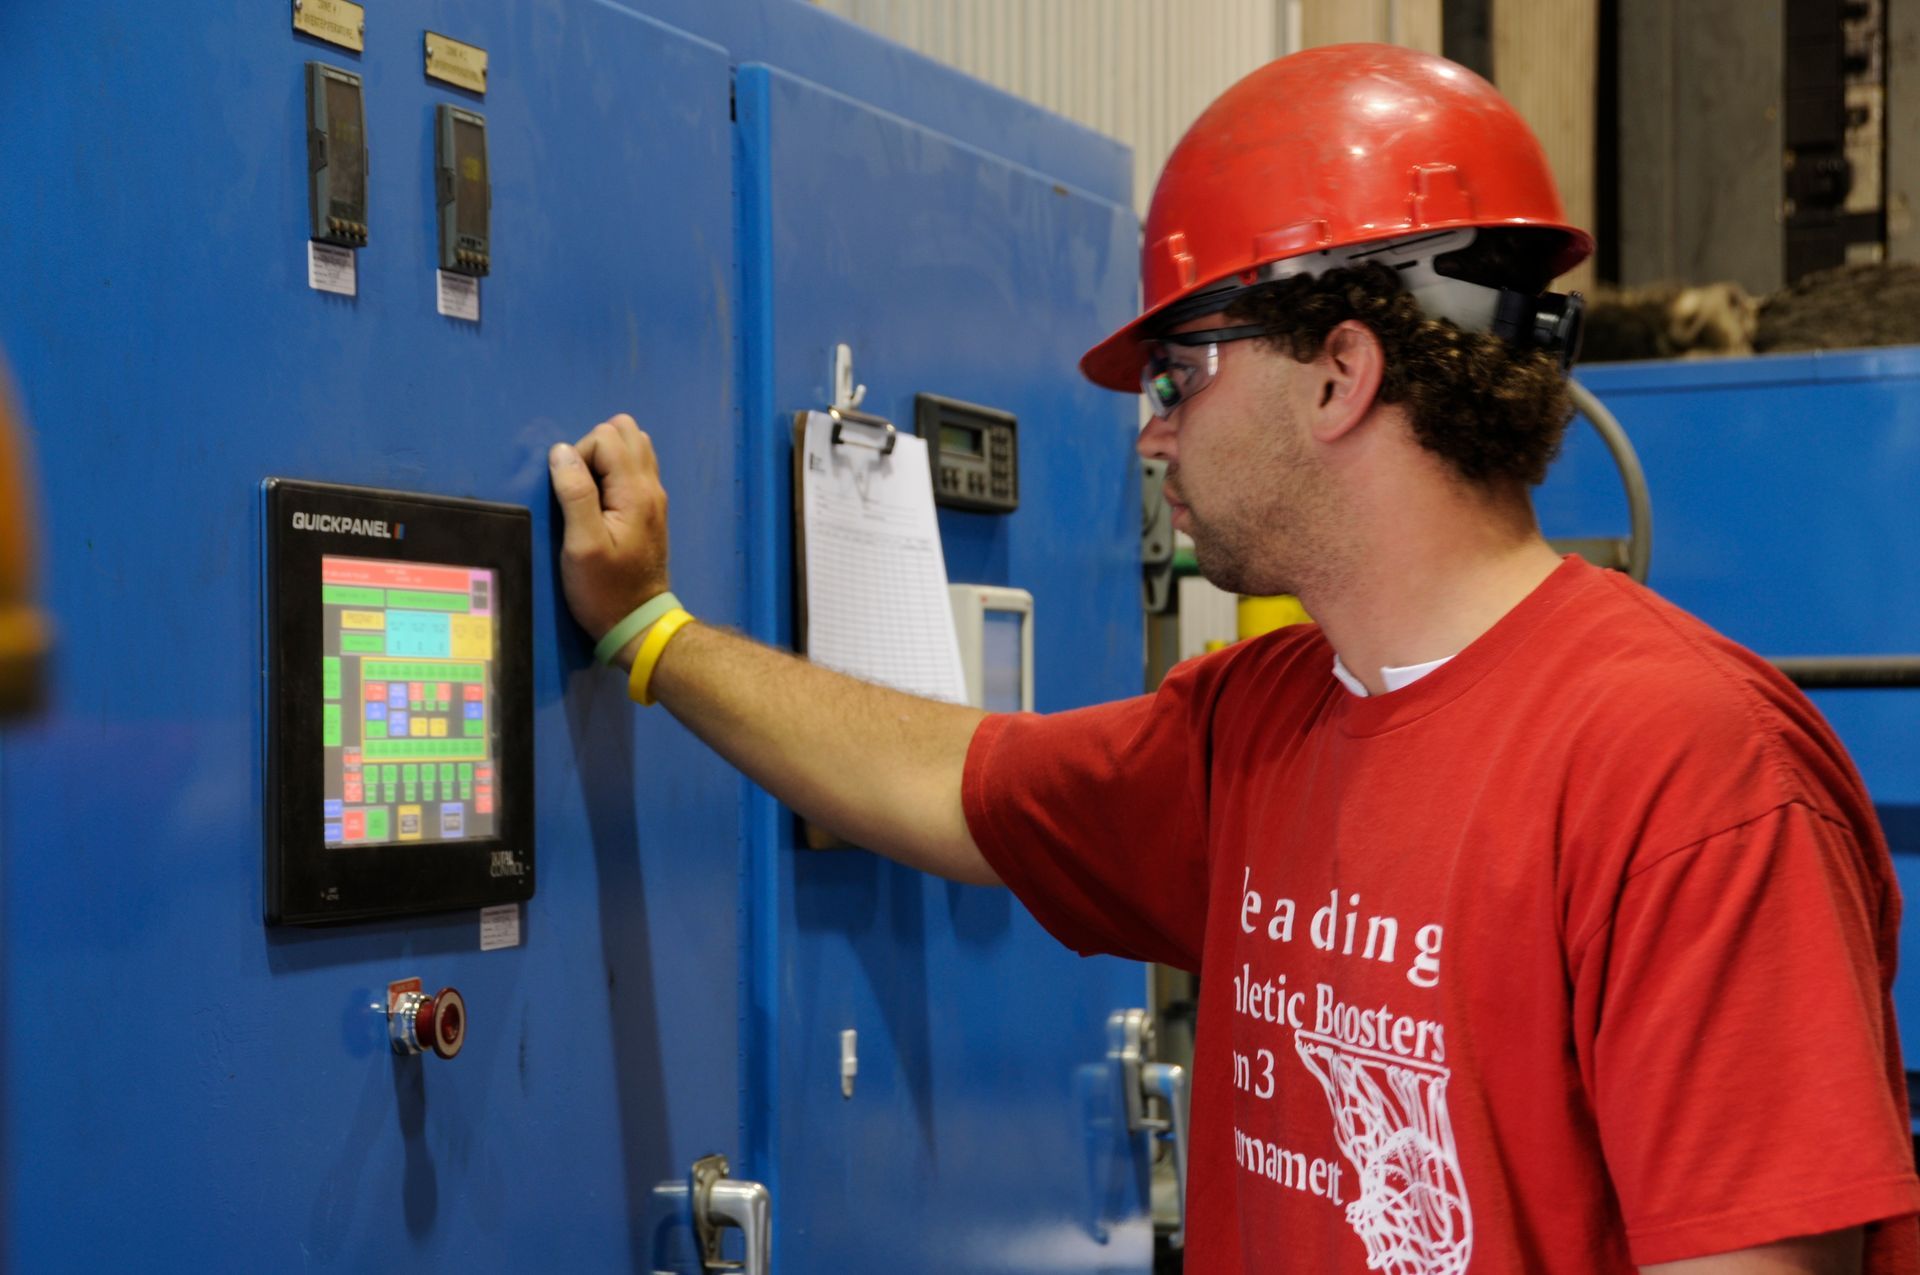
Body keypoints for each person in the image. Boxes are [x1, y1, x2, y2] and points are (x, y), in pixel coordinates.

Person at [546, 43, 1920, 1274]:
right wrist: (652, 634)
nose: (1152, 438)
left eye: (1179, 376)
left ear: (1341, 373)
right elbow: (956, 782)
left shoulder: (1692, 773)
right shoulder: (1255, 724)